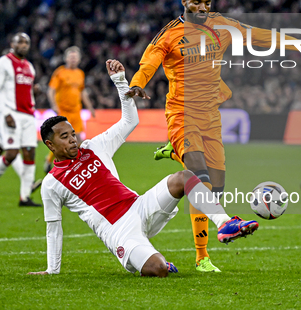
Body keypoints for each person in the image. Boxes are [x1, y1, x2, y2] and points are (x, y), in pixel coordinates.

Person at [126, 0, 301, 272]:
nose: (203, 7)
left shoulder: (221, 25)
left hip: (211, 117)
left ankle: (202, 248)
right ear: (184, 1)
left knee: (213, 189)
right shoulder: (170, 34)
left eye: (207, 2)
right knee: (199, 179)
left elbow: (264, 37)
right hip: (182, 115)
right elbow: (151, 58)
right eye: (197, 2)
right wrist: (139, 82)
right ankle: (205, 251)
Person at [29, 59, 258, 277]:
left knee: (184, 177)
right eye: (64, 137)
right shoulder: (51, 184)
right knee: (159, 270)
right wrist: (52, 270)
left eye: (72, 134)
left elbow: (130, 122)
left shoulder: (93, 147)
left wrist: (120, 81)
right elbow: (53, 229)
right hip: (118, 231)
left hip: (139, 205)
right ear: (50, 144)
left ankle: (225, 223)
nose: (72, 139)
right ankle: (153, 260)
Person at [0, 32, 40, 207]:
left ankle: (24, 198)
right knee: (11, 153)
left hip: (28, 115)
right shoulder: (3, 63)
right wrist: (5, 113)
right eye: (20, 42)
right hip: (11, 113)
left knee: (30, 153)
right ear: (12, 44)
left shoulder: (30, 66)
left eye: (26, 42)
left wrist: (33, 93)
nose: (24, 45)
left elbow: (26, 91)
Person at [44, 46, 96, 174]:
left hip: (76, 111)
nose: (73, 59)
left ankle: (75, 164)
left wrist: (90, 107)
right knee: (60, 140)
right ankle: (50, 159)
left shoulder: (80, 74)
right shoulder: (60, 72)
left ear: (78, 59)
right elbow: (51, 90)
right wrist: (54, 105)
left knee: (78, 139)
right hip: (63, 112)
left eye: (75, 57)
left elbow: (82, 92)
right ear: (66, 58)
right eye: (71, 57)